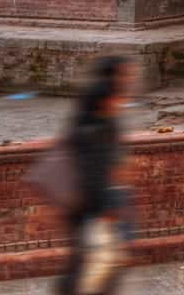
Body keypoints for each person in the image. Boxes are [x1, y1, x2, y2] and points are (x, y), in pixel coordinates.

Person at [55, 56, 136, 295]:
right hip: (97, 208)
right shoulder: (95, 130)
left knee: (94, 264)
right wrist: (108, 211)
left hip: (101, 206)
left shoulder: (103, 124)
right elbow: (95, 174)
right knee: (95, 266)